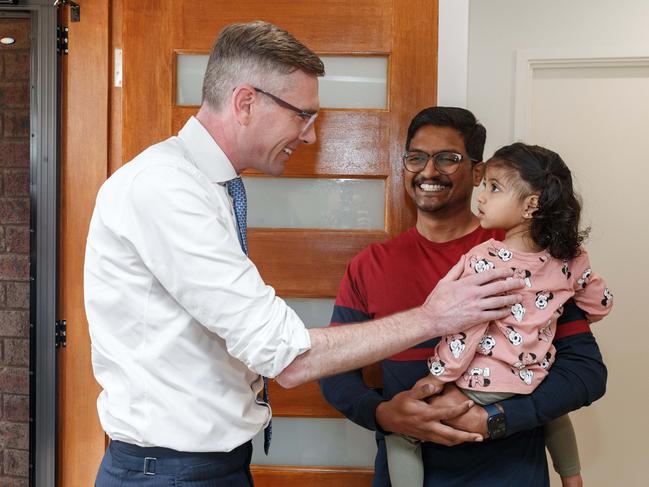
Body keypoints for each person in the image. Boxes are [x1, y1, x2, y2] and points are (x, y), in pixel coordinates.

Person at [84, 23, 524, 486]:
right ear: (246, 102)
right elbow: (287, 358)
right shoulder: (165, 189)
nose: (310, 136)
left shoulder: (203, 186)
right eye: (303, 115)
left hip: (205, 466)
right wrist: (435, 317)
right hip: (170, 472)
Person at [320, 107, 608, 486]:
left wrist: (495, 420)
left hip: (511, 475)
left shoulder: (529, 259)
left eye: (448, 159)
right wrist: (382, 413)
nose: (428, 171)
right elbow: (333, 368)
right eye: (416, 158)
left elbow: (585, 373)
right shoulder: (369, 264)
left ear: (477, 172)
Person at [384, 142, 613, 487]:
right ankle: (572, 477)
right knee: (552, 410)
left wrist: (440, 376)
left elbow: (466, 329)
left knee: (402, 431)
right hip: (533, 377)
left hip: (483, 384)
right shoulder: (570, 258)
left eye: (494, 187)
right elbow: (598, 305)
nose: (482, 195)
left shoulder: (485, 259)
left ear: (530, 205)